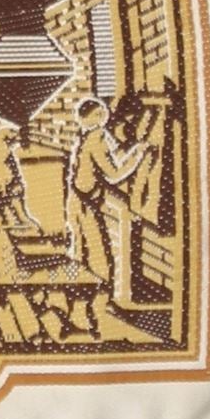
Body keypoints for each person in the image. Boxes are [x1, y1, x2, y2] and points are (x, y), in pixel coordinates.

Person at [66, 98, 154, 341]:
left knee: (87, 256)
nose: (105, 117)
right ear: (93, 118)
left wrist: (132, 149)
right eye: (100, 114)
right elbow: (114, 174)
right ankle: (94, 312)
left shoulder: (93, 136)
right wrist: (138, 156)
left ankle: (91, 308)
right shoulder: (96, 138)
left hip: (81, 201)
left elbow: (114, 155)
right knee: (98, 260)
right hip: (84, 204)